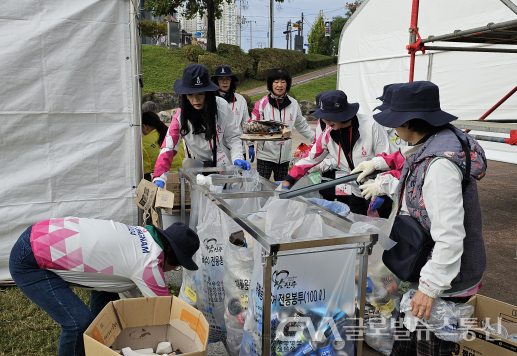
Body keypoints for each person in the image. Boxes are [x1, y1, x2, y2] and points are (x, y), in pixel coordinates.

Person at [355, 81, 487, 355]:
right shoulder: (439, 139)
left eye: (394, 121)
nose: (392, 128)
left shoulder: (440, 165)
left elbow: (450, 234)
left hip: (445, 279)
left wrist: (429, 288)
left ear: (409, 122)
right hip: (432, 267)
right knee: (406, 344)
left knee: (428, 347)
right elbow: (418, 185)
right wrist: (385, 183)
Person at [9, 218, 199, 356]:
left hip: (40, 232)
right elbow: (167, 313)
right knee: (78, 323)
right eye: (178, 265)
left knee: (107, 293)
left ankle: (101, 348)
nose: (174, 270)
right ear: (173, 258)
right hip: (30, 261)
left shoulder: (143, 234)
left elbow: (126, 289)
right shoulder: (149, 264)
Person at [282, 90, 393, 217]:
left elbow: (386, 158)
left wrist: (381, 187)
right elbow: (311, 157)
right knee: (356, 226)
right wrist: (289, 179)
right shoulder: (328, 132)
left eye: (329, 116)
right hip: (355, 188)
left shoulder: (370, 126)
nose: (325, 121)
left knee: (379, 229)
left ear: (342, 114)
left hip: (376, 188)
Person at [153, 64, 250, 188]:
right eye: (190, 94)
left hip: (222, 163)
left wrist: (237, 156)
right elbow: (169, 147)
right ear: (184, 94)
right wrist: (159, 177)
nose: (195, 100)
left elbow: (233, 136)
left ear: (208, 93)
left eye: (200, 94)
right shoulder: (180, 116)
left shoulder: (222, 107)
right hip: (196, 165)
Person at [249, 67, 315, 181]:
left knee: (282, 189)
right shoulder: (262, 104)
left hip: (284, 157)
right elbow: (252, 126)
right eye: (276, 82)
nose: (279, 85)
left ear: (287, 84)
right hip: (265, 156)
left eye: (283, 82)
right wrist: (250, 143)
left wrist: (317, 140)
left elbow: (302, 125)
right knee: (261, 188)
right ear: (271, 84)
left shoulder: (293, 104)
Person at [211, 65, 250, 160]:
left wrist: (251, 144)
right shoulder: (210, 100)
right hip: (217, 152)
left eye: (228, 79)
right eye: (221, 79)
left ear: (231, 80)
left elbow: (246, 123)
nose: (225, 82)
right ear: (216, 81)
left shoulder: (240, 100)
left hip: (238, 149)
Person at [142, 111, 185, 182]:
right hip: (181, 178)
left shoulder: (142, 143)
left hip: (157, 179)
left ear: (145, 127)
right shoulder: (174, 136)